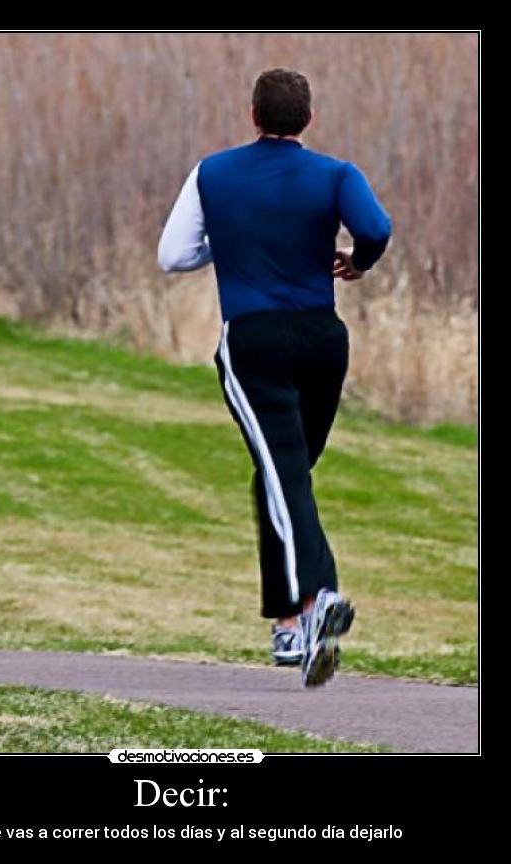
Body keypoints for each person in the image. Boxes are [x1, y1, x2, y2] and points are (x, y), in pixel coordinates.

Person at [157, 68, 391, 687]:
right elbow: (376, 229)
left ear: (252, 115)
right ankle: (289, 627)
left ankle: (317, 603)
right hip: (322, 338)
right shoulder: (338, 174)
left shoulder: (212, 172)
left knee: (284, 475)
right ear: (308, 119)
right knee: (286, 475)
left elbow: (173, 255)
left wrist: (224, 245)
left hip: (254, 341)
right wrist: (358, 262)